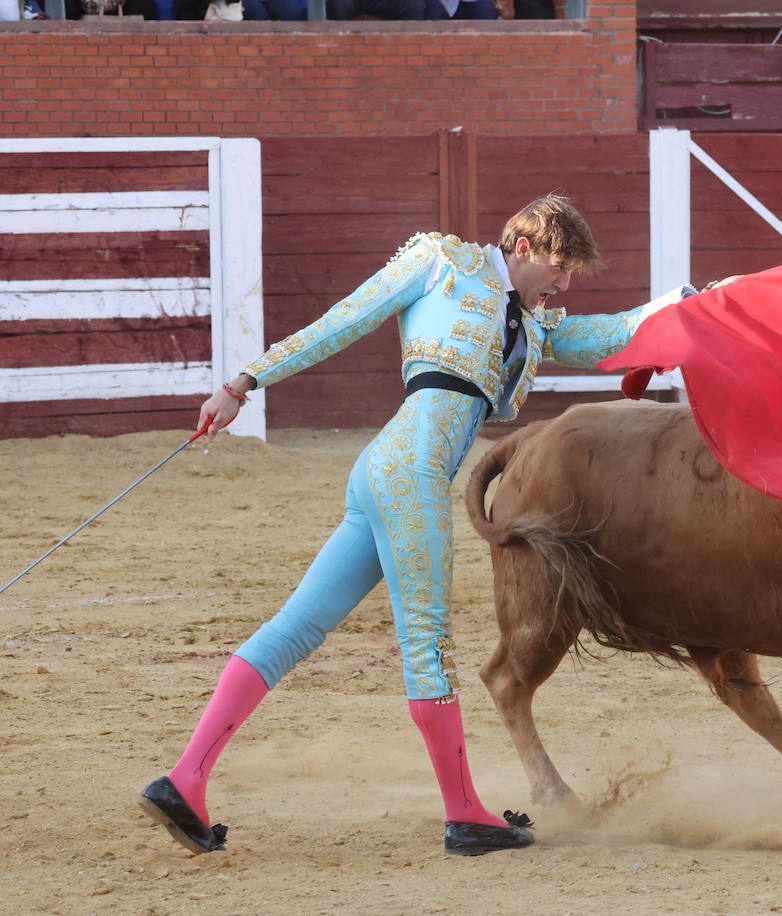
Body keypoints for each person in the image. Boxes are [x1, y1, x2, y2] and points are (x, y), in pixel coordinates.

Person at [138, 194, 684, 857]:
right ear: (523, 249)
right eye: (559, 268)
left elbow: (610, 335)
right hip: (413, 475)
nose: (563, 285)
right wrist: (243, 382)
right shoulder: (439, 263)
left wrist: (683, 305)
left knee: (297, 627)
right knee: (426, 640)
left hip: (387, 471)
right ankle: (464, 814)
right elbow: (343, 321)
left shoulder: (531, 323)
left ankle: (185, 781)